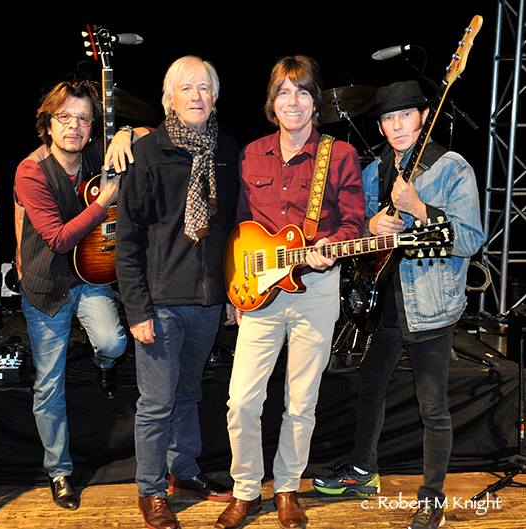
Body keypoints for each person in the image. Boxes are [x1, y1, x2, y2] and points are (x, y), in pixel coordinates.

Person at [312, 80, 485, 529]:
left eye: (406, 115)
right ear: (381, 127)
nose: (397, 125)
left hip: (429, 304)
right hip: (383, 301)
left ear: (424, 117)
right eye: (389, 118)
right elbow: (358, 229)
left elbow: (470, 239)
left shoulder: (450, 167)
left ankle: (431, 500)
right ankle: (362, 471)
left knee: (433, 407)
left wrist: (420, 208)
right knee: (371, 388)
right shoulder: (376, 170)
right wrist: (371, 224)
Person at [214, 55, 365, 529]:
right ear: (272, 101)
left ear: (315, 101)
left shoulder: (339, 155)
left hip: (316, 288)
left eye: (302, 92)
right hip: (260, 292)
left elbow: (354, 223)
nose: (293, 102)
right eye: (283, 92)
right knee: (242, 400)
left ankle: (286, 487)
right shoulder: (251, 153)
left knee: (301, 402)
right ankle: (245, 489)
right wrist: (237, 289)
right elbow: (239, 227)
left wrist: (329, 248)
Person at [116, 55, 238, 529]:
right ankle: (150, 490)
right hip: (160, 304)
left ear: (215, 97)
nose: (196, 96)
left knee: (189, 393)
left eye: (204, 88)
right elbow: (128, 240)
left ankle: (183, 472)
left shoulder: (227, 150)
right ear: (169, 99)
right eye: (186, 88)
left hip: (208, 302)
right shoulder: (148, 153)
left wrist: (232, 295)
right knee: (156, 403)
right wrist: (137, 310)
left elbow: (233, 232)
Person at [13, 79, 144, 509]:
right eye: (65, 117)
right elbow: (57, 239)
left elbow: (151, 135)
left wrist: (125, 134)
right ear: (48, 124)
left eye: (84, 119)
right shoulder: (31, 171)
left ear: (92, 128)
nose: (74, 126)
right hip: (47, 285)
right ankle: (60, 471)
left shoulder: (96, 155)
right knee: (49, 384)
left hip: (89, 276)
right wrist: (104, 200)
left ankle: (103, 366)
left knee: (113, 343)